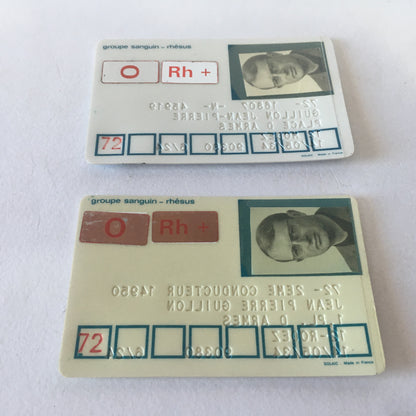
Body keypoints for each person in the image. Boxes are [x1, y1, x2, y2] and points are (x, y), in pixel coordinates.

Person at [256, 206, 360, 272]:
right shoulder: (356, 266)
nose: (305, 242)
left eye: (293, 232)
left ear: (296, 214)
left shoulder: (343, 202)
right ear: (301, 258)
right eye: (296, 251)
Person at [242, 47, 332, 91]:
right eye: (276, 80)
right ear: (281, 85)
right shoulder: (328, 88)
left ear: (275, 54)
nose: (283, 74)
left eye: (273, 68)